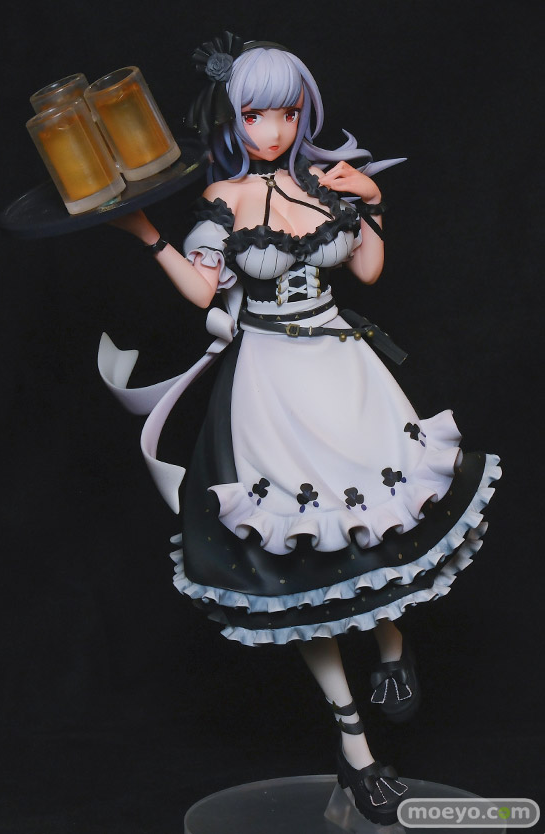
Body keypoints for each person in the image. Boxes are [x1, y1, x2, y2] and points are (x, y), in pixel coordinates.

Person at [100, 32, 501, 824]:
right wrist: (147, 235)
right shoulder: (223, 200)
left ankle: (393, 647)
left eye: (286, 113)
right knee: (299, 563)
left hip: (347, 373)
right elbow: (201, 292)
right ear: (232, 119)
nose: (274, 130)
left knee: (375, 525)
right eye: (256, 115)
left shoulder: (326, 184)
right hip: (271, 386)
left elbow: (368, 271)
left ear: (302, 113)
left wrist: (372, 201)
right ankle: (355, 748)